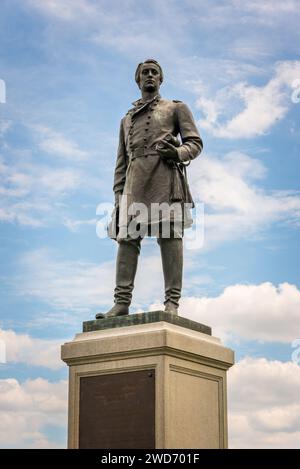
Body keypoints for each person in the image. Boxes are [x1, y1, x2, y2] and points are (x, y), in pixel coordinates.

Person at [96, 59, 203, 319]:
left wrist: (177, 152)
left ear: (161, 79)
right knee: (127, 240)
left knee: (169, 236)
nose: (150, 76)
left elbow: (195, 143)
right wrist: (118, 198)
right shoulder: (126, 119)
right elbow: (121, 163)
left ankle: (172, 303)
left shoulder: (175, 108)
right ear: (138, 80)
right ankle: (121, 302)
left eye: (155, 72)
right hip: (134, 184)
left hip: (165, 179)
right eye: (145, 73)